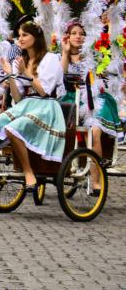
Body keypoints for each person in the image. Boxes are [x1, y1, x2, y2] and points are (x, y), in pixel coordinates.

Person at [0, 19, 65, 191]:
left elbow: (44, 91)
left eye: (24, 35)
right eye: (19, 35)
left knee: (13, 128)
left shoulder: (51, 58)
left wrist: (25, 72)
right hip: (27, 104)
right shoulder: (20, 61)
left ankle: (29, 173)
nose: (20, 39)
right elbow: (17, 97)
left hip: (46, 106)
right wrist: (10, 76)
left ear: (36, 37)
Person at [60, 20, 120, 192]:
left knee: (94, 132)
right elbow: (61, 77)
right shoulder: (61, 55)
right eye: (74, 33)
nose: (78, 37)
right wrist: (65, 53)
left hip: (95, 98)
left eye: (82, 33)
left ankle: (95, 180)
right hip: (71, 99)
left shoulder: (94, 55)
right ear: (68, 37)